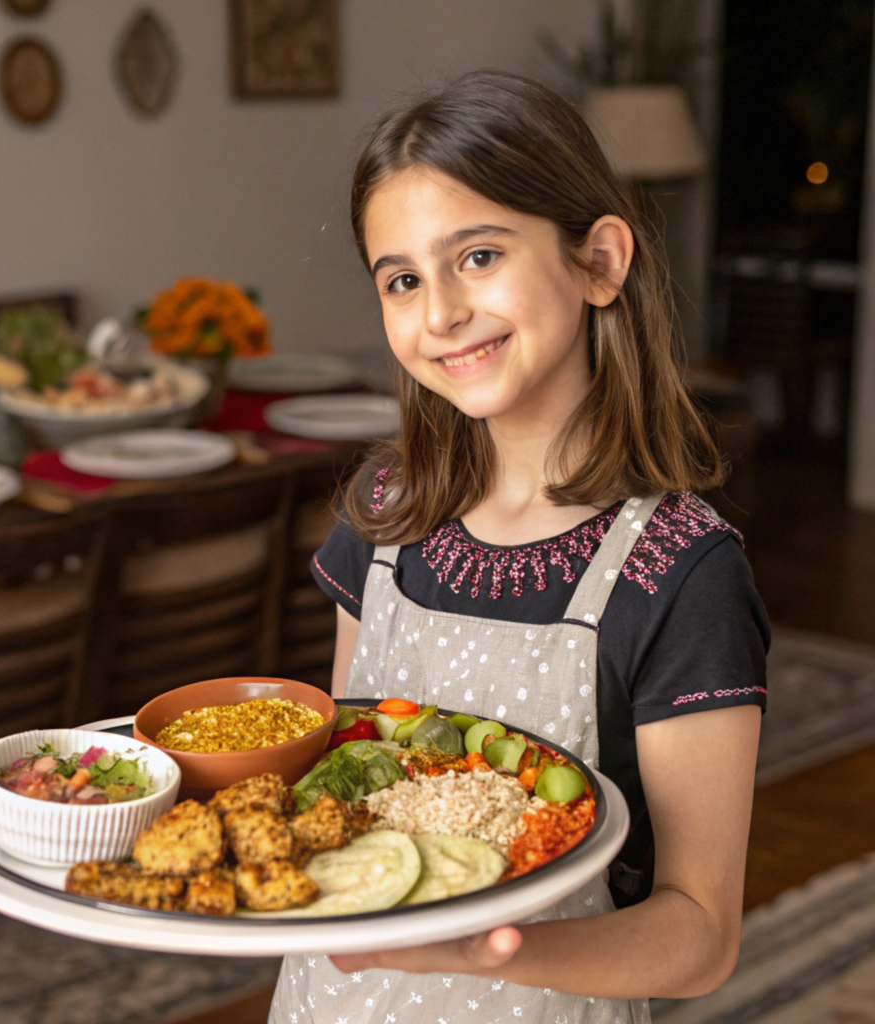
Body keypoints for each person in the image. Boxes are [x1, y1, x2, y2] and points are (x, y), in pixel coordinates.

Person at [269, 70, 768, 1024]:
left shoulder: (684, 571)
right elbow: (340, 781)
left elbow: (700, 935)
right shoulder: (383, 510)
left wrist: (477, 952)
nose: (442, 312)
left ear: (601, 262)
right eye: (404, 279)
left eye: (480, 255)